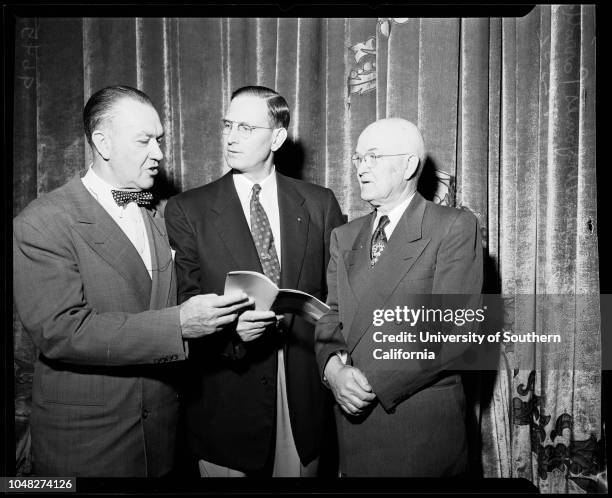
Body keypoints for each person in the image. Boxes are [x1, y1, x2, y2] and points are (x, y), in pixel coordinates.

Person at [12, 85, 251, 477]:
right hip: (90, 444)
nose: (159, 153)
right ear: (102, 143)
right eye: (145, 141)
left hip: (164, 436)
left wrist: (228, 325)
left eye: (159, 140)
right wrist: (177, 325)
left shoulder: (157, 213)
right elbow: (61, 331)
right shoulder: (42, 222)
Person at [165, 85, 344, 477]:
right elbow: (182, 302)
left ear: (277, 137)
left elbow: (339, 297)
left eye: (246, 127)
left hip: (303, 401)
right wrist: (231, 333)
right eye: (229, 125)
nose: (230, 137)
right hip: (227, 403)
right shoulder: (187, 209)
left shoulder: (320, 203)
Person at [315, 118, 483, 477]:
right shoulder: (343, 237)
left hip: (418, 428)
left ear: (409, 164)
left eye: (373, 157)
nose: (361, 167)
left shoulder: (452, 226)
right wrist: (332, 369)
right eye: (358, 158)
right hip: (351, 428)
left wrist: (366, 383)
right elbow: (329, 315)